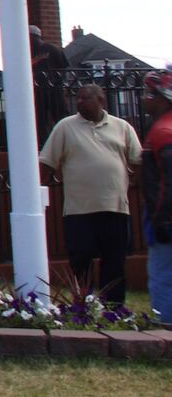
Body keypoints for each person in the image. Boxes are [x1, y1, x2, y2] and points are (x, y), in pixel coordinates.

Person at [39, 83, 141, 304]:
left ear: (100, 100)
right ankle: (82, 307)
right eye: (77, 98)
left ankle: (113, 309)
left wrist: (135, 181)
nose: (79, 102)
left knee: (114, 262)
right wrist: (38, 191)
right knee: (80, 259)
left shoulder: (122, 127)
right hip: (79, 209)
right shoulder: (65, 127)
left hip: (115, 207)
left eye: (85, 98)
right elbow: (47, 162)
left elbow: (137, 159)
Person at [138, 69, 172, 324]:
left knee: (162, 273)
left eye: (149, 93)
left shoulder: (162, 132)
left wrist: (162, 220)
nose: (143, 99)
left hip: (165, 218)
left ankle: (165, 325)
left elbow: (166, 182)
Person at [30, 25, 71, 134]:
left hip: (43, 89)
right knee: (57, 117)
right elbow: (64, 68)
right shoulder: (54, 48)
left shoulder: (28, 51)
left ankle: (46, 142)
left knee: (42, 119)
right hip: (52, 87)